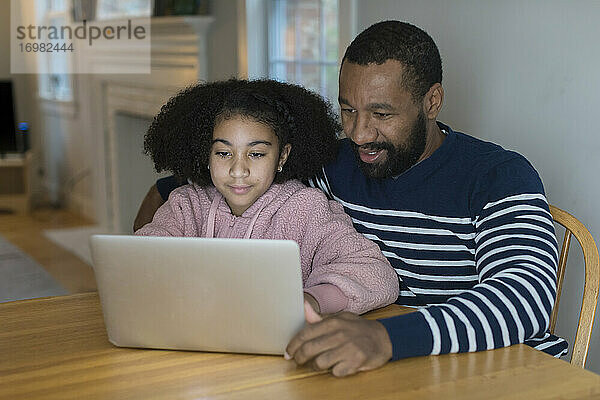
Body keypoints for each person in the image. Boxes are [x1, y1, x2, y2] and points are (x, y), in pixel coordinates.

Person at [135, 21, 567, 377]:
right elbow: (212, 187)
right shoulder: (331, 163)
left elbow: (524, 300)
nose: (359, 134)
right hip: (382, 366)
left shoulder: (496, 176)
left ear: (431, 101)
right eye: (347, 110)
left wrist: (387, 339)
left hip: (497, 368)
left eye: (381, 114)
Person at [135, 78, 399, 315]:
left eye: (257, 154)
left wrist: (313, 300)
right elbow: (139, 262)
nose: (239, 170)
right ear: (206, 154)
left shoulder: (305, 210)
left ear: (282, 156)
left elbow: (377, 275)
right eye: (224, 153)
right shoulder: (185, 206)